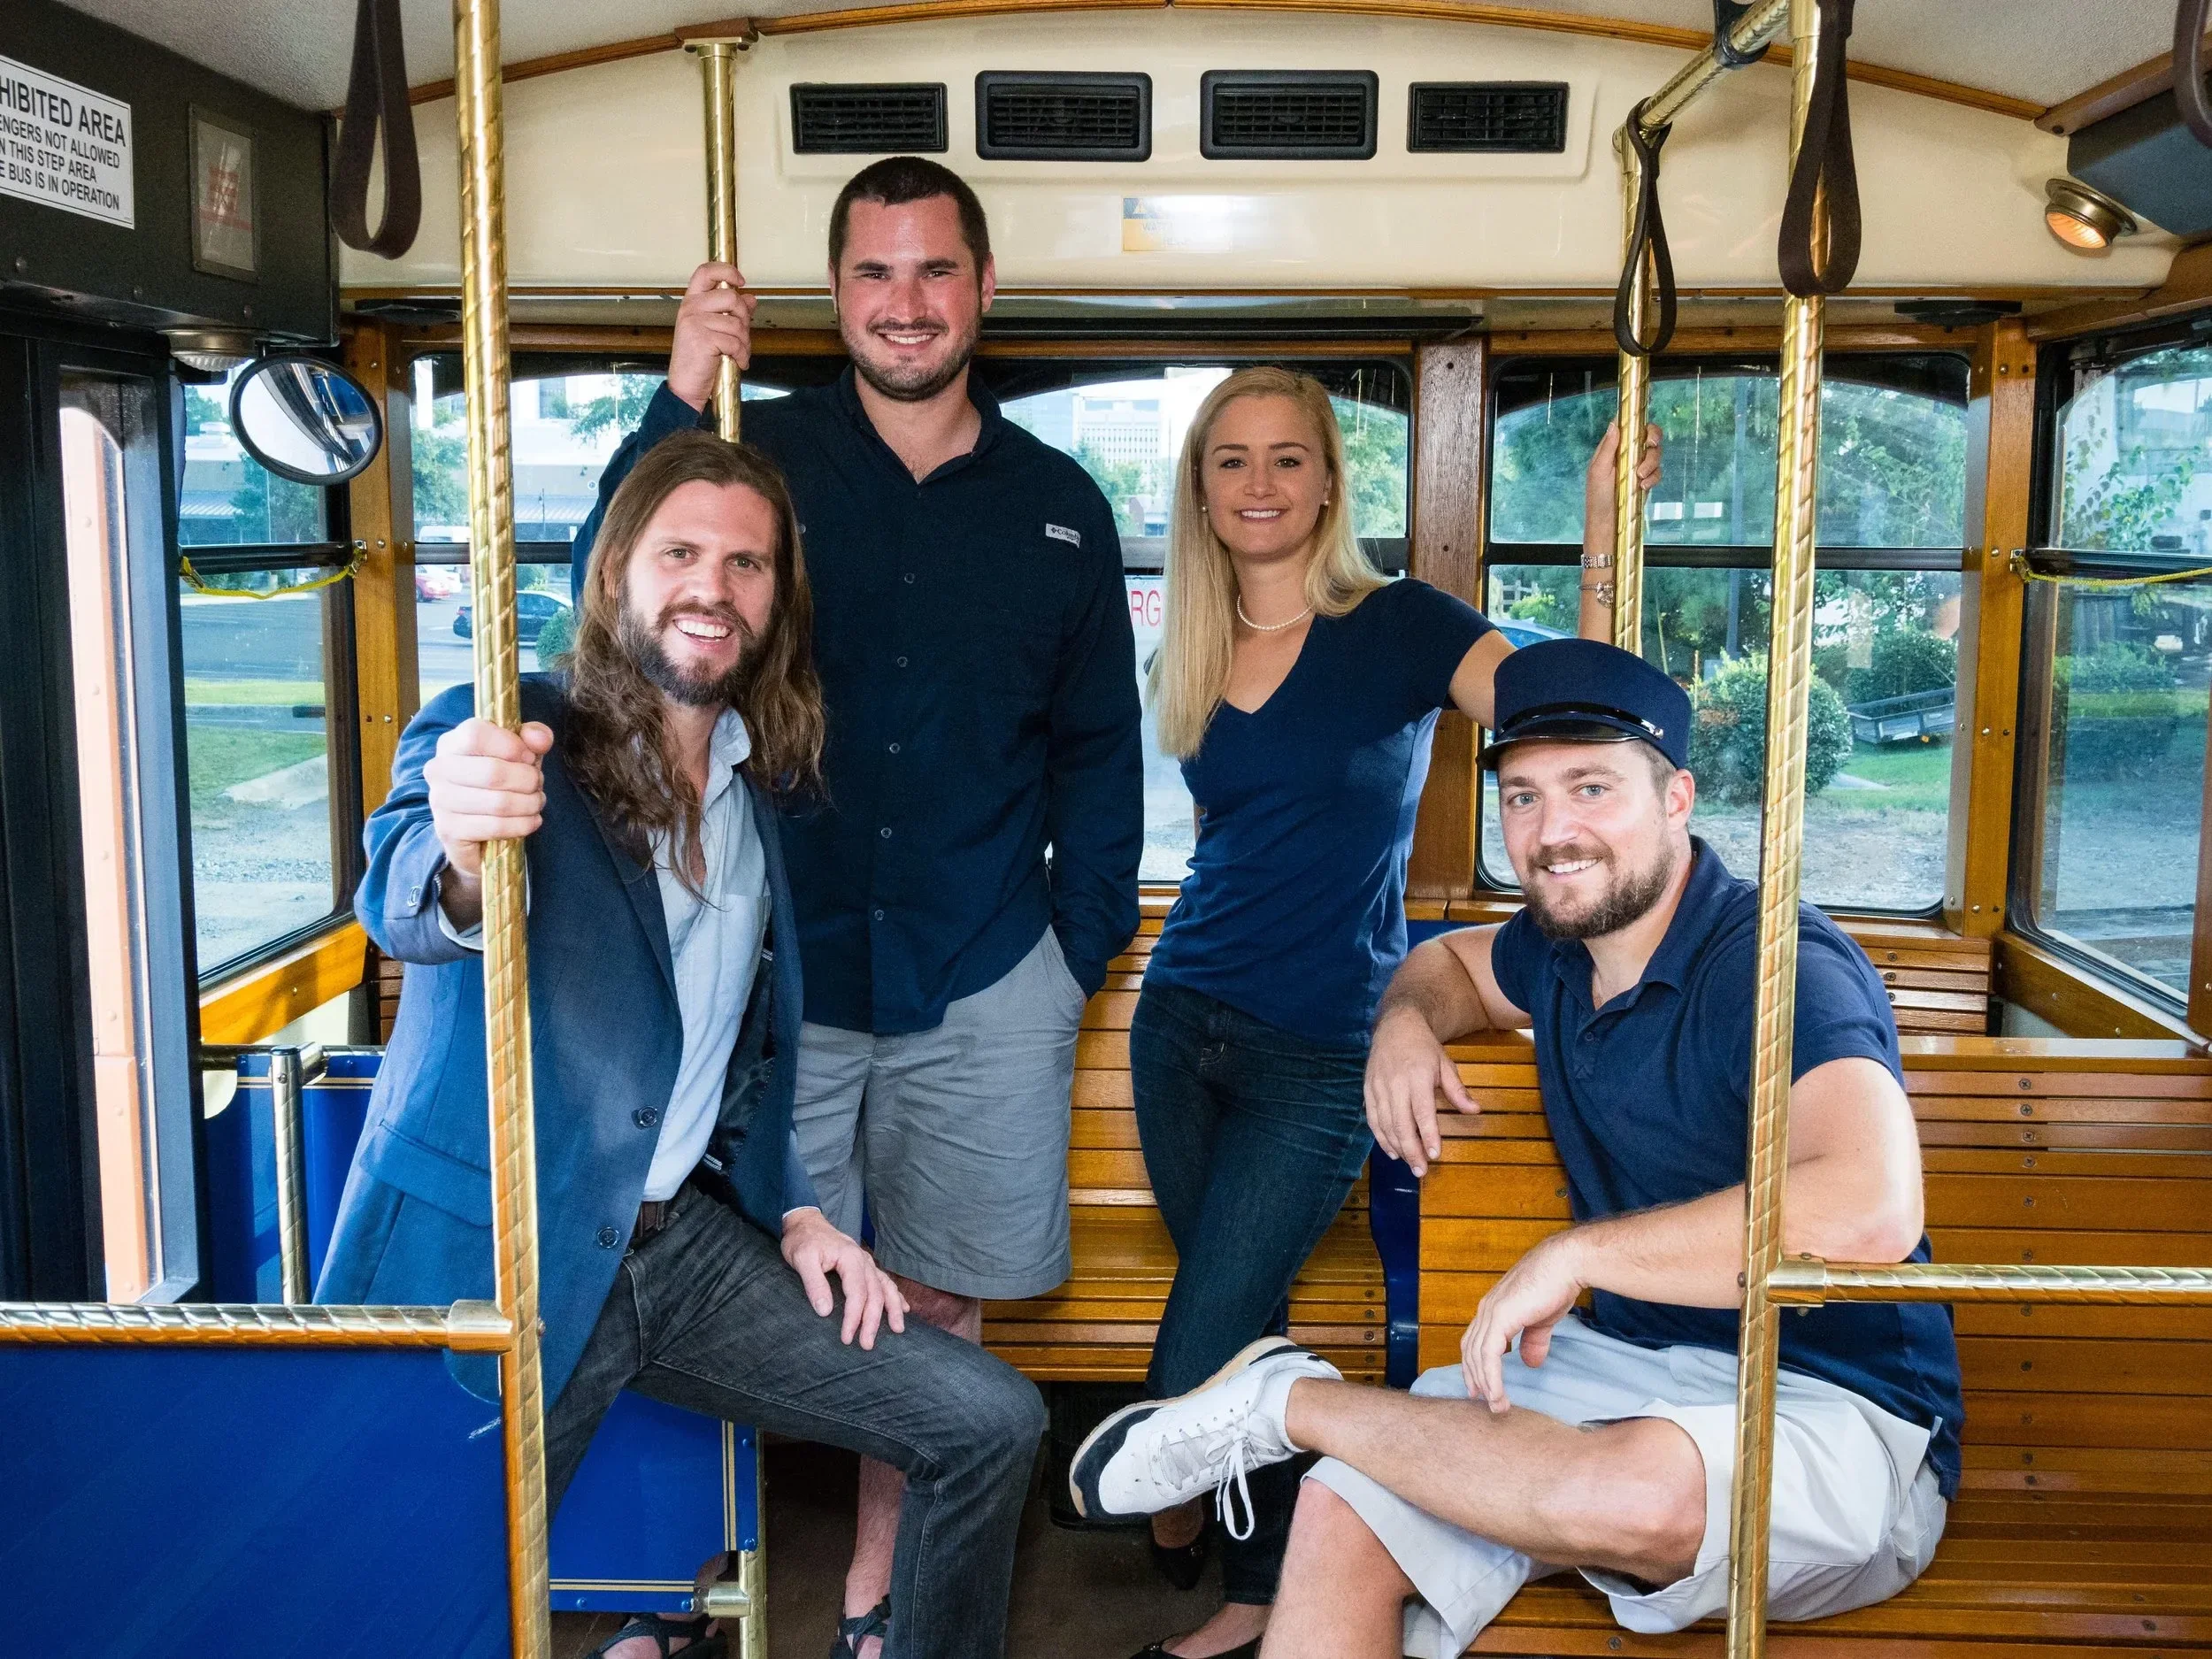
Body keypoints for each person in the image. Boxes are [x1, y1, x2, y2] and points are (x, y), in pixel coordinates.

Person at [1071, 637, 1964, 1659]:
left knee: (1633, 1495)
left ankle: (1288, 1401)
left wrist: (1578, 1256)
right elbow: (1444, 963)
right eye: (1524, 798)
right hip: (1626, 1363)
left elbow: (1869, 1208)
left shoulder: (1777, 967)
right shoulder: (1557, 948)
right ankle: (1302, 1417)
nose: (1552, 833)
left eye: (1592, 789)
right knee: (1344, 1507)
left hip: (1836, 1404)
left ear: (1677, 798)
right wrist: (1403, 1024)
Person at [321, 433, 1047, 1659]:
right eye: (681, 552)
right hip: (511, 1246)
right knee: (409, 1594)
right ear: (617, 573)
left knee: (987, 1415)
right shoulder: (508, 730)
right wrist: (458, 844)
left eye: (748, 563)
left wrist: (805, 1209)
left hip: (685, 1251)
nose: (714, 585)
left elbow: (743, 1052)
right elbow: (403, 895)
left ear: (776, 599)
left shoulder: (760, 787)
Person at [567, 155, 1141, 1659]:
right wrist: (683, 399)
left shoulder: (1061, 509)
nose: (907, 303)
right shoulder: (759, 464)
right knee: (722, 1285)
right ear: (836, 297)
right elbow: (612, 615)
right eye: (876, 275)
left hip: (983, 969)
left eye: (935, 271)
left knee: (936, 1319)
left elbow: (1098, 754)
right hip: (777, 973)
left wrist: (1074, 951)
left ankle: (881, 1595)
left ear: (983, 292)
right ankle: (688, 1589)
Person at [1111, 369, 1654, 1659]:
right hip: (1179, 1019)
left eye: (1287, 457)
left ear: (1329, 480)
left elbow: (1573, 702)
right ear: (1201, 487)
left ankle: (1191, 1525)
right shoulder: (1187, 638)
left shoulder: (1401, 623)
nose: (1259, 483)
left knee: (1197, 1354)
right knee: (1234, 1323)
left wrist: (1596, 538)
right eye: (1231, 459)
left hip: (1322, 1046)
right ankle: (1256, 1579)